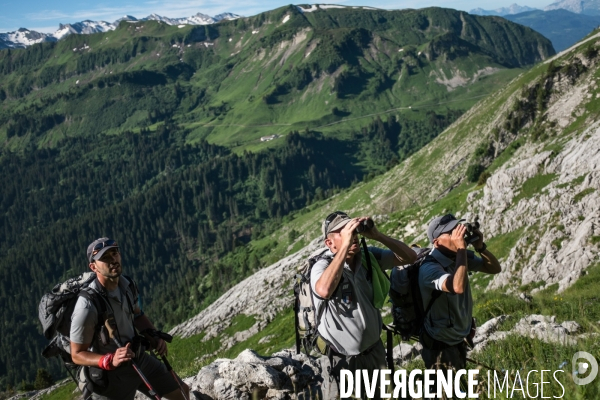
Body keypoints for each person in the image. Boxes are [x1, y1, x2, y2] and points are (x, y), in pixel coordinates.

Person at [311, 211, 417, 399]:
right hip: (342, 360)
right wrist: (344, 247)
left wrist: (377, 235)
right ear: (330, 243)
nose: (351, 236)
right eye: (342, 232)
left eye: (352, 230)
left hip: (374, 352)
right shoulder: (321, 266)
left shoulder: (368, 257)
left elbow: (409, 257)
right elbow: (324, 290)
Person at [70, 238, 189, 400]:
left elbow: (138, 315)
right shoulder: (87, 305)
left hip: (139, 358)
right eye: (105, 258)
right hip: (112, 376)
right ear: (93, 267)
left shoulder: (128, 286)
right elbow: (76, 354)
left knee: (182, 392)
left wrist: (153, 334)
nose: (113, 260)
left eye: (115, 253)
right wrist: (109, 360)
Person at [419, 214, 501, 372]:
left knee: (459, 386)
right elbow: (457, 287)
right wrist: (462, 249)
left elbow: (494, 269)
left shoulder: (458, 257)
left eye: (457, 229)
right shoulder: (429, 268)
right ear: (437, 242)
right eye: (451, 233)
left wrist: (480, 247)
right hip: (440, 344)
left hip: (459, 337)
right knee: (443, 392)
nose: (458, 235)